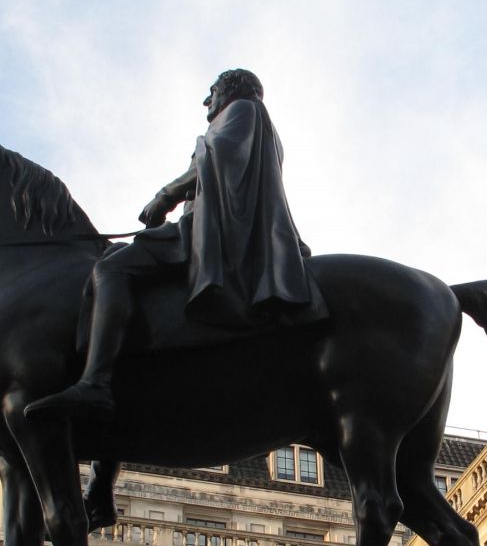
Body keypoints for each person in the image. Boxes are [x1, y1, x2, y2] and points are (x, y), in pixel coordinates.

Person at [26, 68, 324, 424]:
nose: (206, 100)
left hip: (213, 232)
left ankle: (96, 381)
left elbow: (217, 158)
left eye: (212, 90)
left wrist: (164, 197)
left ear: (230, 89)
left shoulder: (242, 109)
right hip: (216, 226)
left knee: (111, 268)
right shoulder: (252, 120)